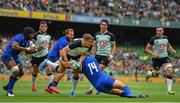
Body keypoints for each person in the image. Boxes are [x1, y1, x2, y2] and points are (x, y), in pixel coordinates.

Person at [80, 54, 147, 98]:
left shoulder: (81, 65)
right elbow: (100, 68)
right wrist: (108, 59)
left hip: (98, 87)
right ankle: (132, 94)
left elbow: (79, 71)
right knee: (123, 86)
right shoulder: (92, 59)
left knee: (119, 93)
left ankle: (135, 95)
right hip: (104, 79)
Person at [2, 27, 37, 96]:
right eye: (31, 34)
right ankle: (9, 91)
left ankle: (8, 86)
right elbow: (14, 46)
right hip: (7, 55)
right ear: (27, 34)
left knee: (21, 73)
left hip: (15, 57)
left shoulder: (27, 41)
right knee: (16, 71)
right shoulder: (19, 37)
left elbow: (28, 52)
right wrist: (27, 48)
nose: (32, 36)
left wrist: (37, 49)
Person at [86, 19, 116, 94]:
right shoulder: (96, 35)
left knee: (98, 71)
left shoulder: (110, 35)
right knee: (96, 72)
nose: (103, 26)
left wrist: (111, 55)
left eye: (105, 25)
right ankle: (101, 88)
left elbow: (114, 46)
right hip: (97, 56)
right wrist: (94, 54)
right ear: (100, 25)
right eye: (102, 24)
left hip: (106, 56)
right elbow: (95, 45)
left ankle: (91, 89)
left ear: (107, 26)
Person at [145, 27, 176, 95]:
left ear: (163, 31)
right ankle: (150, 73)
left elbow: (168, 45)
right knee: (156, 75)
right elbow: (146, 49)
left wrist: (172, 50)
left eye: (160, 31)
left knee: (170, 71)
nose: (159, 32)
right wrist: (153, 54)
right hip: (156, 59)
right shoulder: (153, 39)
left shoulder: (166, 38)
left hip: (165, 57)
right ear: (156, 32)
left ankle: (169, 90)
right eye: (158, 31)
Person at [31, 21, 52, 92]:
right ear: (39, 27)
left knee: (49, 69)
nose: (43, 28)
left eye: (44, 26)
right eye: (42, 26)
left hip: (45, 55)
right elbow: (31, 44)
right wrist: (37, 48)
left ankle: (50, 87)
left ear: (47, 27)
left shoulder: (49, 36)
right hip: (35, 56)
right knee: (35, 71)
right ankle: (33, 84)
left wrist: (48, 51)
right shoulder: (35, 35)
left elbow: (50, 44)